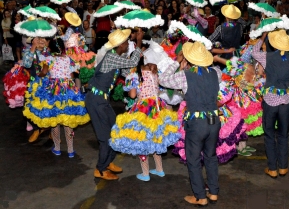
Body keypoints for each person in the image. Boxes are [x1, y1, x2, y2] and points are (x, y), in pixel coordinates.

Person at [159, 42, 221, 206]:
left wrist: (177, 62)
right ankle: (213, 192)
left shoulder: (185, 75)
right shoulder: (216, 73)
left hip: (197, 123)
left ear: (189, 59)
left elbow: (163, 80)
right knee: (211, 156)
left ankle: (200, 196)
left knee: (193, 159)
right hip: (214, 121)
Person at [85, 29, 144, 180]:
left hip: (102, 101)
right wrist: (138, 43)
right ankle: (100, 169)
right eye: (126, 43)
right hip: (96, 101)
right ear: (120, 45)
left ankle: (108, 161)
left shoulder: (116, 58)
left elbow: (126, 71)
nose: (127, 45)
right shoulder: (111, 57)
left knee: (114, 130)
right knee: (105, 137)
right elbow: (132, 62)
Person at [109, 61, 180, 181]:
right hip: (157, 107)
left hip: (144, 108)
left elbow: (132, 95)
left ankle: (145, 173)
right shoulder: (155, 73)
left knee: (142, 139)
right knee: (156, 138)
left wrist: (130, 86)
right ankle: (159, 169)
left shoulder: (135, 75)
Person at [23, 37, 89, 157]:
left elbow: (43, 72)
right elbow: (74, 74)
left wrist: (40, 74)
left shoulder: (49, 59)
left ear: (51, 48)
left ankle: (57, 148)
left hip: (54, 90)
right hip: (68, 90)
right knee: (68, 121)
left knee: (55, 121)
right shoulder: (69, 59)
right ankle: (70, 150)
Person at [252, 30, 289, 178]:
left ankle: (272, 168)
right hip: (286, 101)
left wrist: (263, 36)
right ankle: (283, 167)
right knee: (283, 135)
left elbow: (254, 51)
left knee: (269, 134)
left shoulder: (267, 57)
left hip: (270, 100)